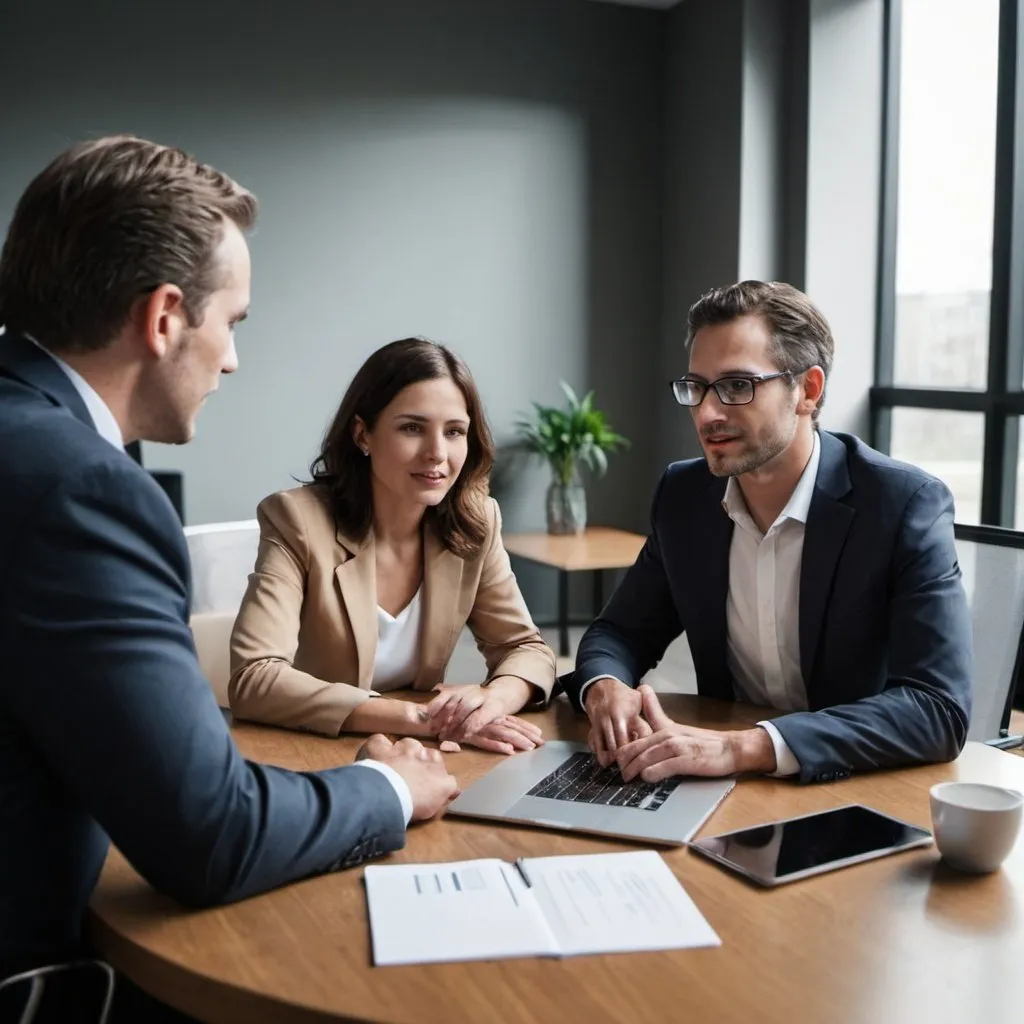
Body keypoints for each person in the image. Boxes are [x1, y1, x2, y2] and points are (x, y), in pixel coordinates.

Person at [0, 137, 457, 1020]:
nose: (234, 360)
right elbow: (209, 836)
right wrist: (393, 785)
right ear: (166, 317)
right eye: (233, 323)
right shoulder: (81, 489)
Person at [563, 280, 972, 785]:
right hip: (724, 786)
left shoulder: (902, 506)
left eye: (737, 386)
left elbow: (937, 708)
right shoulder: (684, 497)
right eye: (697, 387)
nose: (707, 413)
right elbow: (621, 632)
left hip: (856, 787)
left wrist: (747, 747)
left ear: (808, 390)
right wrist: (605, 687)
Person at [229, 338, 555, 754]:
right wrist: (424, 719)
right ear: (363, 434)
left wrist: (492, 702)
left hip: (418, 755)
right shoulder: (296, 520)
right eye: (412, 428)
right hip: (313, 747)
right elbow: (254, 677)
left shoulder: (476, 520)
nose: (437, 453)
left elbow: (525, 648)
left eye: (454, 431)